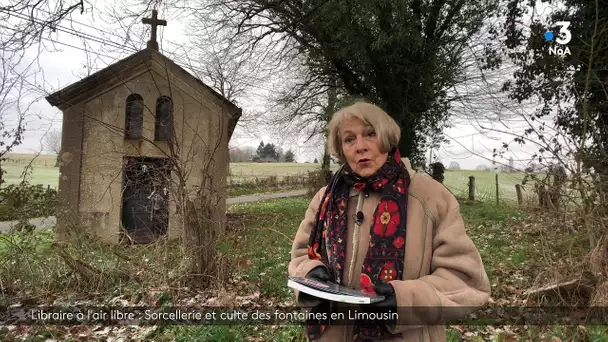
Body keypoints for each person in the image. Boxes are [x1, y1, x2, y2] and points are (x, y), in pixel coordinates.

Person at [288, 101, 490, 341]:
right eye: (349, 139)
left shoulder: (431, 197)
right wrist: (311, 274)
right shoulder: (326, 198)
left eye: (370, 134)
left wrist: (404, 301)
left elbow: (465, 281)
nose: (360, 147)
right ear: (341, 148)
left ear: (387, 138)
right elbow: (302, 255)